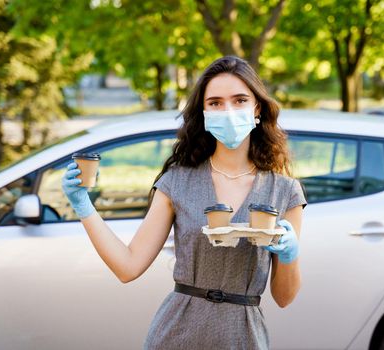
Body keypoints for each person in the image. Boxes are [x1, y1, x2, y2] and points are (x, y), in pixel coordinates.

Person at [61, 55, 307, 349]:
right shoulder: (177, 182)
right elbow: (128, 266)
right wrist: (84, 207)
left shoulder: (285, 192)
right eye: (215, 102)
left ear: (257, 108)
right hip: (176, 335)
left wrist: (291, 255)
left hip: (243, 338)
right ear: (203, 111)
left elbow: (284, 297)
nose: (227, 110)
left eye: (239, 100)